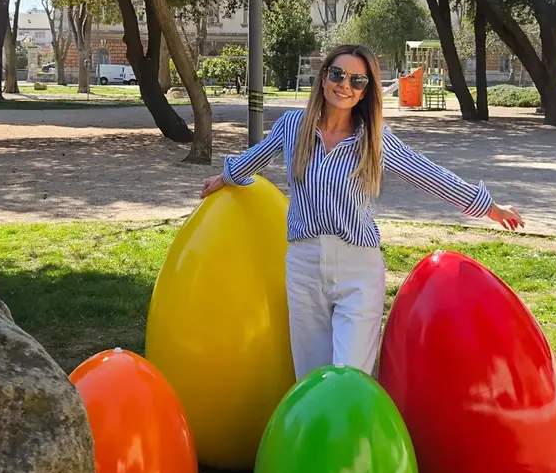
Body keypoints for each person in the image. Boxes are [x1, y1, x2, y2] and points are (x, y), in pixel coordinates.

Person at [201, 44, 524, 380]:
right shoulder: (292, 126)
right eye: (338, 74)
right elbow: (256, 157)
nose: (345, 85)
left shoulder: (374, 139)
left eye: (357, 81)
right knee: (311, 378)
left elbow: (428, 174)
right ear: (324, 77)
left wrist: (489, 207)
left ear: (365, 91)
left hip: (357, 269)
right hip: (304, 266)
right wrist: (224, 177)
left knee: (349, 378)